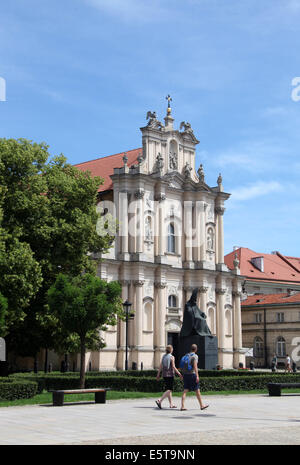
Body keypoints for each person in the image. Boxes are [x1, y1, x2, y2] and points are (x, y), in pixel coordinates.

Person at [180, 344, 209, 411]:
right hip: (192, 374)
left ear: (191, 349)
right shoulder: (195, 356)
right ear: (196, 349)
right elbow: (195, 367)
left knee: (185, 390)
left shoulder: (186, 355)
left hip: (186, 375)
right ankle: (202, 405)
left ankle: (182, 406)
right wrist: (197, 376)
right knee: (197, 390)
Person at [156, 345, 183, 409]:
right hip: (170, 375)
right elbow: (173, 367)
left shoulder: (164, 356)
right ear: (171, 350)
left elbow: (160, 366)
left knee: (168, 390)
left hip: (164, 375)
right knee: (169, 390)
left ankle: (171, 404)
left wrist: (158, 374)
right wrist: (179, 374)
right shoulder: (172, 357)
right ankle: (160, 400)